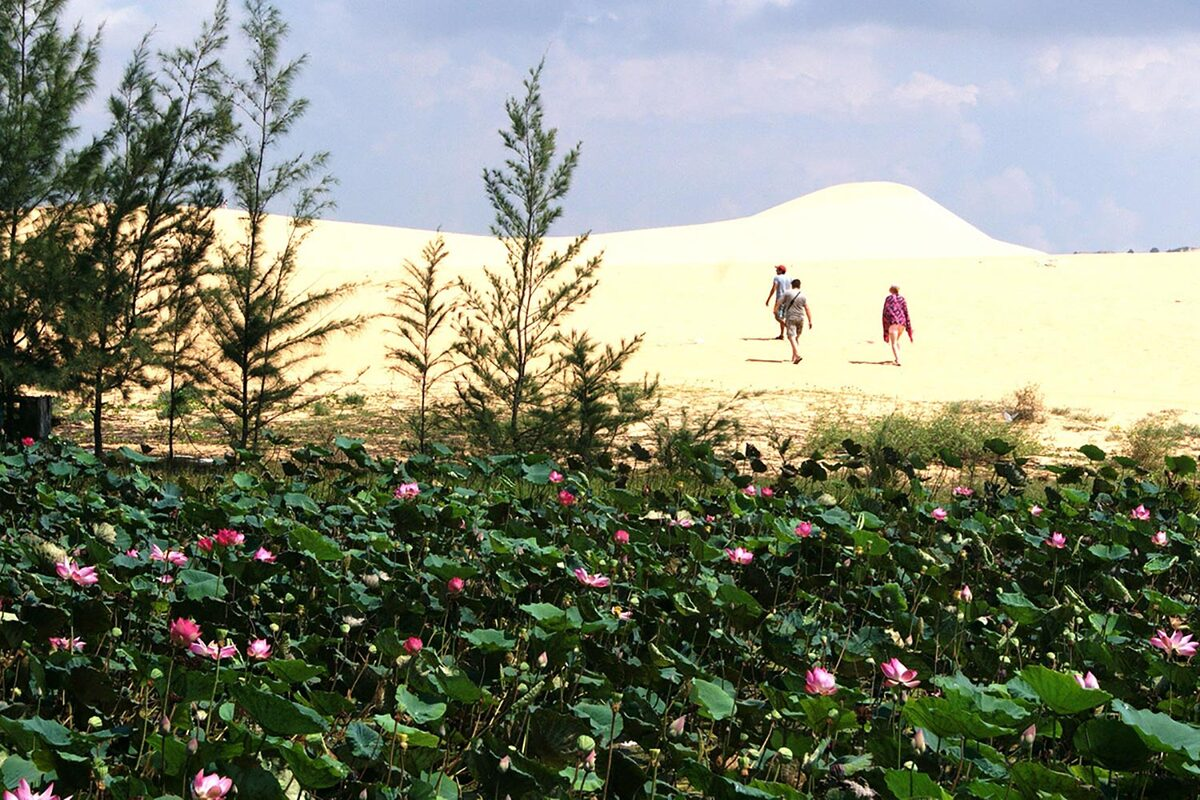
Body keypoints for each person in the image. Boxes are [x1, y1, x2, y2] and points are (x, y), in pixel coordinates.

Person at [778, 278, 813, 364]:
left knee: (791, 336)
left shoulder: (788, 293)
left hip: (791, 317)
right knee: (796, 337)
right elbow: (807, 308)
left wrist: (776, 311)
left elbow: (779, 302)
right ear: (799, 285)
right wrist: (810, 320)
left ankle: (797, 355)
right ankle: (794, 357)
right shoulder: (803, 295)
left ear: (792, 285)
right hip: (801, 318)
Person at [881, 284, 913, 366]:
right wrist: (908, 325)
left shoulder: (888, 298)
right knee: (897, 340)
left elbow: (885, 311)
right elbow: (906, 312)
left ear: (891, 290)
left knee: (894, 343)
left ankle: (898, 360)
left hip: (893, 323)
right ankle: (898, 357)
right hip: (902, 323)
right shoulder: (902, 299)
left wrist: (886, 324)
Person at [763, 264, 791, 339]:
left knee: (776, 314)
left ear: (781, 271)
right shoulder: (789, 278)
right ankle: (782, 335)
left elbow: (774, 289)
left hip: (780, 299)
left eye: (777, 269)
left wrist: (768, 299)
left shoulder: (777, 278)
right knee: (782, 316)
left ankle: (787, 326)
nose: (776, 270)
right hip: (788, 299)